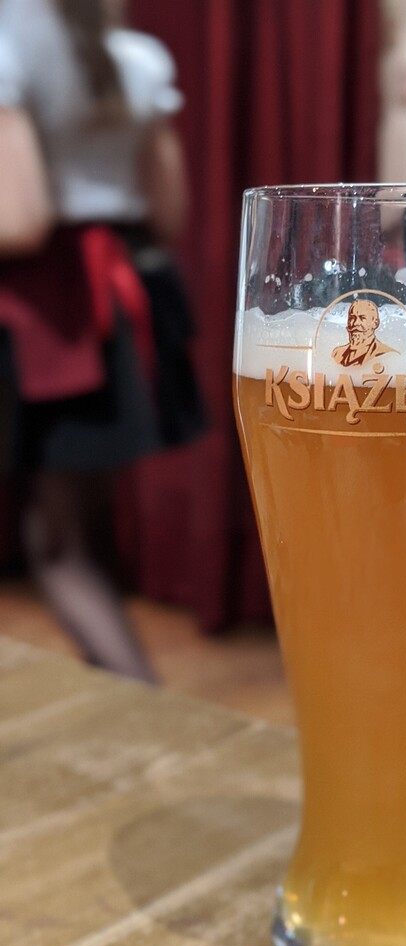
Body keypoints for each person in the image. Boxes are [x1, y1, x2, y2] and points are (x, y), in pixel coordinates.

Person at [0, 0, 207, 682]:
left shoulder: (6, 41)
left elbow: (21, 218)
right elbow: (168, 215)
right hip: (125, 294)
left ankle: (153, 710)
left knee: (60, 547)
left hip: (56, 308)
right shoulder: (141, 59)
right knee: (82, 534)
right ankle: (140, 700)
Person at [332, 299, 397, 368]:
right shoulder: (336, 354)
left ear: (375, 324)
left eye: (362, 318)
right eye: (352, 318)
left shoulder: (389, 356)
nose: (355, 323)